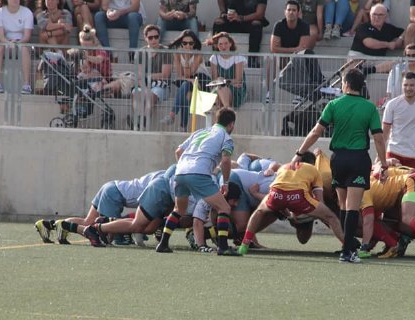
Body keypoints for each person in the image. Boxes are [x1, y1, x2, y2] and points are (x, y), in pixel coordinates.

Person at [291, 68, 388, 263]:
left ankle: (347, 246)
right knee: (352, 206)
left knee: (343, 204)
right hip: (358, 159)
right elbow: (378, 138)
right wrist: (383, 164)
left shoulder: (334, 105)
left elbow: (315, 132)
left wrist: (299, 154)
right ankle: (347, 251)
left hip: (338, 159)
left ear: (345, 84)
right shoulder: (369, 108)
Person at [155, 107, 241, 256]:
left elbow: (178, 151)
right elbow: (226, 160)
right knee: (224, 208)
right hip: (199, 173)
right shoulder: (225, 137)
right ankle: (223, 247)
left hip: (180, 172)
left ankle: (163, 244)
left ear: (216, 120)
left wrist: (184, 168)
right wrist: (225, 182)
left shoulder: (200, 132)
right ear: (231, 124)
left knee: (179, 210)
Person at [237, 151, 345, 255]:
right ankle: (347, 246)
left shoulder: (285, 166)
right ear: (313, 163)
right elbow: (320, 201)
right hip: (298, 196)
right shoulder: (313, 169)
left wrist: (289, 215)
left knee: (259, 212)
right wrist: (317, 215)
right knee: (331, 217)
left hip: (276, 193)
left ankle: (244, 244)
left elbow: (279, 189)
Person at [35, 168, 167, 245]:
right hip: (114, 194)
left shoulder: (164, 174)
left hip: (112, 186)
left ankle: (49, 224)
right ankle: (64, 226)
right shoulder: (164, 183)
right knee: (109, 237)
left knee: (88, 221)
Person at [160, 29, 210, 130]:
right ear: (181, 43)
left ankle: (173, 115)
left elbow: (189, 73)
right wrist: (189, 80)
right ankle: (183, 126)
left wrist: (187, 59)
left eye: (191, 43)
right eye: (185, 43)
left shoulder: (198, 55)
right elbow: (180, 75)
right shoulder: (177, 54)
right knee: (186, 95)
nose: (188, 46)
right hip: (188, 82)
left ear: (194, 43)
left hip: (202, 80)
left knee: (185, 85)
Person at [127, 25, 172, 131]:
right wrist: (146, 82)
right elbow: (139, 74)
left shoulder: (166, 51)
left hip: (161, 85)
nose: (154, 40)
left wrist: (148, 76)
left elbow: (165, 75)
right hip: (144, 83)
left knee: (149, 96)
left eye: (156, 37)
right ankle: (140, 123)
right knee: (136, 94)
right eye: (150, 37)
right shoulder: (140, 53)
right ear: (145, 38)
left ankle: (139, 123)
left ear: (159, 37)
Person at [269, 0, 310, 101]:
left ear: (298, 12)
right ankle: (269, 92)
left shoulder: (304, 26)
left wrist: (286, 51)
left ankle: (300, 94)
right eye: (289, 10)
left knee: (301, 59)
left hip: (297, 58)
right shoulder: (278, 25)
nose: (291, 12)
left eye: (294, 10)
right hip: (282, 58)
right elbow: (274, 48)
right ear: (285, 12)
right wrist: (293, 50)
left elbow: (302, 49)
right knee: (272, 60)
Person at [0, 0, 34, 94]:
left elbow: (27, 36)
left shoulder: (27, 12)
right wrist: (8, 43)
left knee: (23, 48)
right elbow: (0, 36)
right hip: (5, 43)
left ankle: (26, 84)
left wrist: (17, 43)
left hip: (21, 43)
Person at [349, 3, 404, 74]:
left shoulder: (389, 28)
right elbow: (369, 43)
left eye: (380, 15)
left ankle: (367, 71)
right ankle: (363, 71)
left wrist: (400, 38)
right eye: (374, 14)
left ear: (385, 16)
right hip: (359, 57)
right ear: (370, 15)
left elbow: (405, 31)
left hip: (377, 60)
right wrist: (388, 44)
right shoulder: (363, 27)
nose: (377, 17)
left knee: (398, 62)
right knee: (353, 67)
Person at [212, 0, 268, 68]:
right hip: (232, 21)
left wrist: (241, 18)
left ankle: (253, 60)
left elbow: (260, 14)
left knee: (256, 25)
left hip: (249, 21)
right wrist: (223, 12)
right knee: (218, 22)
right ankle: (215, 58)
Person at [208, 31, 247, 109]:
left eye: (226, 43)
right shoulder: (214, 58)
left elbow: (238, 80)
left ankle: (224, 113)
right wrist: (225, 82)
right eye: (220, 44)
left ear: (230, 44)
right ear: (217, 46)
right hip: (219, 88)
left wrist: (223, 81)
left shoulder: (238, 57)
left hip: (236, 90)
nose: (223, 46)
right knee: (220, 89)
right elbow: (215, 80)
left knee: (221, 90)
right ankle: (227, 110)